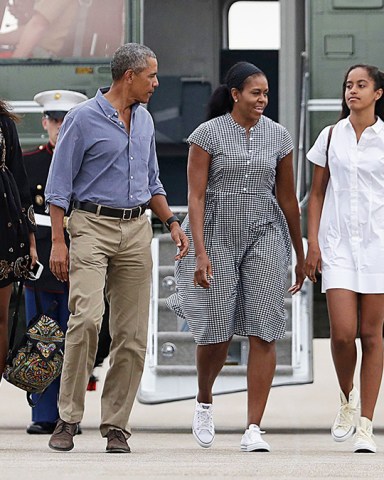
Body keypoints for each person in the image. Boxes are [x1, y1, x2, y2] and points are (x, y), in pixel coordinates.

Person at [45, 43, 189, 453]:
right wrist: (59, 241)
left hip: (136, 230)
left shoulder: (143, 121)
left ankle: (116, 426)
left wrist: (172, 223)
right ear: (130, 76)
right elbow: (58, 187)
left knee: (132, 334)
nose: (157, 83)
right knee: (87, 319)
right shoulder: (82, 119)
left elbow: (153, 181)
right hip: (89, 225)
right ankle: (68, 417)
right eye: (152, 76)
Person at [166, 62, 305, 451]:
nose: (262, 99)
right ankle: (205, 399)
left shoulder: (279, 136)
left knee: (265, 327)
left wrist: (300, 251)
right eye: (255, 93)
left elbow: (288, 199)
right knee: (218, 331)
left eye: (265, 93)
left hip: (264, 234)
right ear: (235, 94)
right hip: (215, 236)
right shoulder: (206, 135)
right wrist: (199, 252)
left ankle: (253, 428)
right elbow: (195, 196)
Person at [305, 64, 384, 454]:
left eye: (361, 85)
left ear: (378, 94)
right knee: (341, 333)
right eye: (348, 85)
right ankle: (346, 398)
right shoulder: (330, 135)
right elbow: (316, 193)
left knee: (372, 336)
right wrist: (313, 244)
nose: (352, 91)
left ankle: (366, 424)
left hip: (377, 245)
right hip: (336, 246)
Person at [23, 90, 87, 434]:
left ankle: (69, 414)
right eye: (55, 120)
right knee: (41, 337)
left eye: (66, 120)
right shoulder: (29, 161)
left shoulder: (85, 160)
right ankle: (43, 414)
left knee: (76, 337)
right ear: (45, 122)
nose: (60, 127)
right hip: (40, 258)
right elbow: (22, 210)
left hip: (81, 252)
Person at [0, 99, 37, 380]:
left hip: (5, 228)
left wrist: (32, 240)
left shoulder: (4, 124)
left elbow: (22, 187)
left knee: (1, 318)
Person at [0, 0, 78, 58]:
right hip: (39, 54)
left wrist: (11, 67)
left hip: (43, 58)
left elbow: (37, 26)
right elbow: (29, 31)